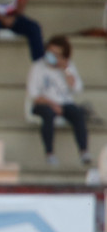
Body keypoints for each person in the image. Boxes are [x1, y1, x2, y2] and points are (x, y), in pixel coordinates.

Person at [27, 36, 90, 166]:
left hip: (64, 104)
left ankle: (84, 152)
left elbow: (77, 88)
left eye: (56, 54)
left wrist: (65, 70)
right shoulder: (38, 67)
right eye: (50, 52)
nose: (52, 56)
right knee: (48, 114)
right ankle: (50, 154)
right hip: (43, 104)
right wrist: (52, 104)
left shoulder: (69, 67)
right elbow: (34, 94)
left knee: (78, 113)